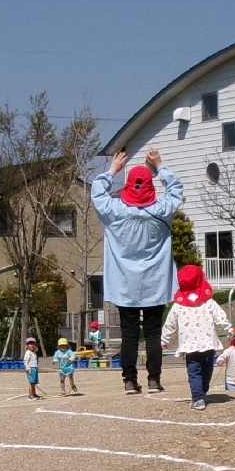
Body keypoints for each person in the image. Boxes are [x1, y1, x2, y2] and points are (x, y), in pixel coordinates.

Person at [89, 149, 183, 395]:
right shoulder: (162, 210)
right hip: (156, 280)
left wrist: (112, 170)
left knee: (129, 333)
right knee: (153, 333)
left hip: (124, 282)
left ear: (128, 186)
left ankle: (129, 380)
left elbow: (97, 193)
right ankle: (154, 379)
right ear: (151, 186)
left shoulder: (114, 211)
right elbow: (176, 190)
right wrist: (159, 166)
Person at [162, 263, 233, 411]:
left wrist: (164, 339)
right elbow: (220, 317)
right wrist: (230, 329)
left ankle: (198, 398)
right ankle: (203, 389)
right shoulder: (208, 302)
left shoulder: (178, 306)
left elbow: (170, 324)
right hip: (208, 344)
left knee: (194, 372)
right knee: (207, 369)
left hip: (191, 346)